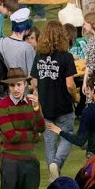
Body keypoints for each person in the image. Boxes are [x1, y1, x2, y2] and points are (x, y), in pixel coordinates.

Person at [35, 21, 79, 179]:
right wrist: (76, 97)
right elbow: (70, 84)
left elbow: (34, 82)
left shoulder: (39, 56)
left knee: (49, 141)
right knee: (67, 135)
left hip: (46, 105)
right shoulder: (66, 57)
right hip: (63, 105)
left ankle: (53, 175)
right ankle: (56, 163)